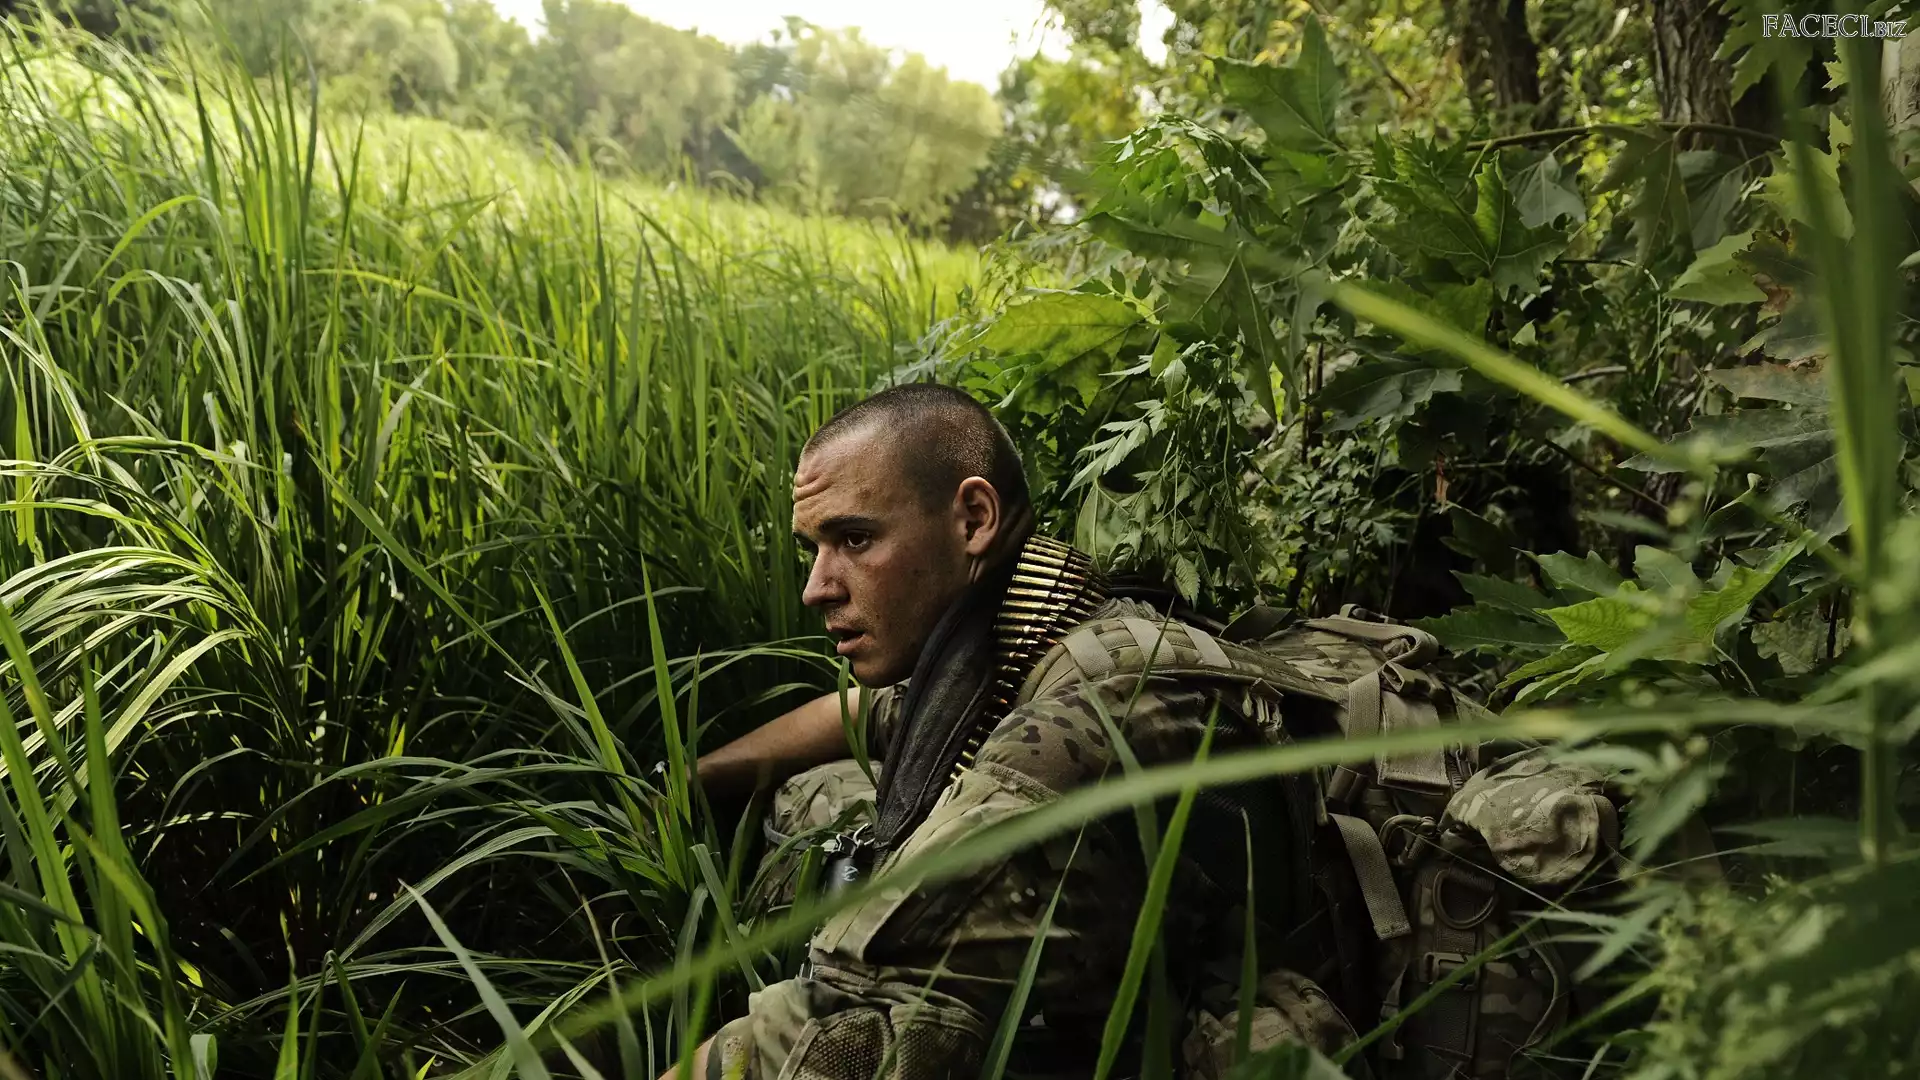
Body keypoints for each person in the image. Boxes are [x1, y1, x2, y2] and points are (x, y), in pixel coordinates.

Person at [670, 385, 1354, 1080]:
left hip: (1260, 989)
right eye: (814, 549)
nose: (817, 587)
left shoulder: (1083, 727)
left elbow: (833, 1026)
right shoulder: (1006, 644)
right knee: (819, 786)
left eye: (854, 539)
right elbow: (859, 712)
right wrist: (684, 787)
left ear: (974, 519)